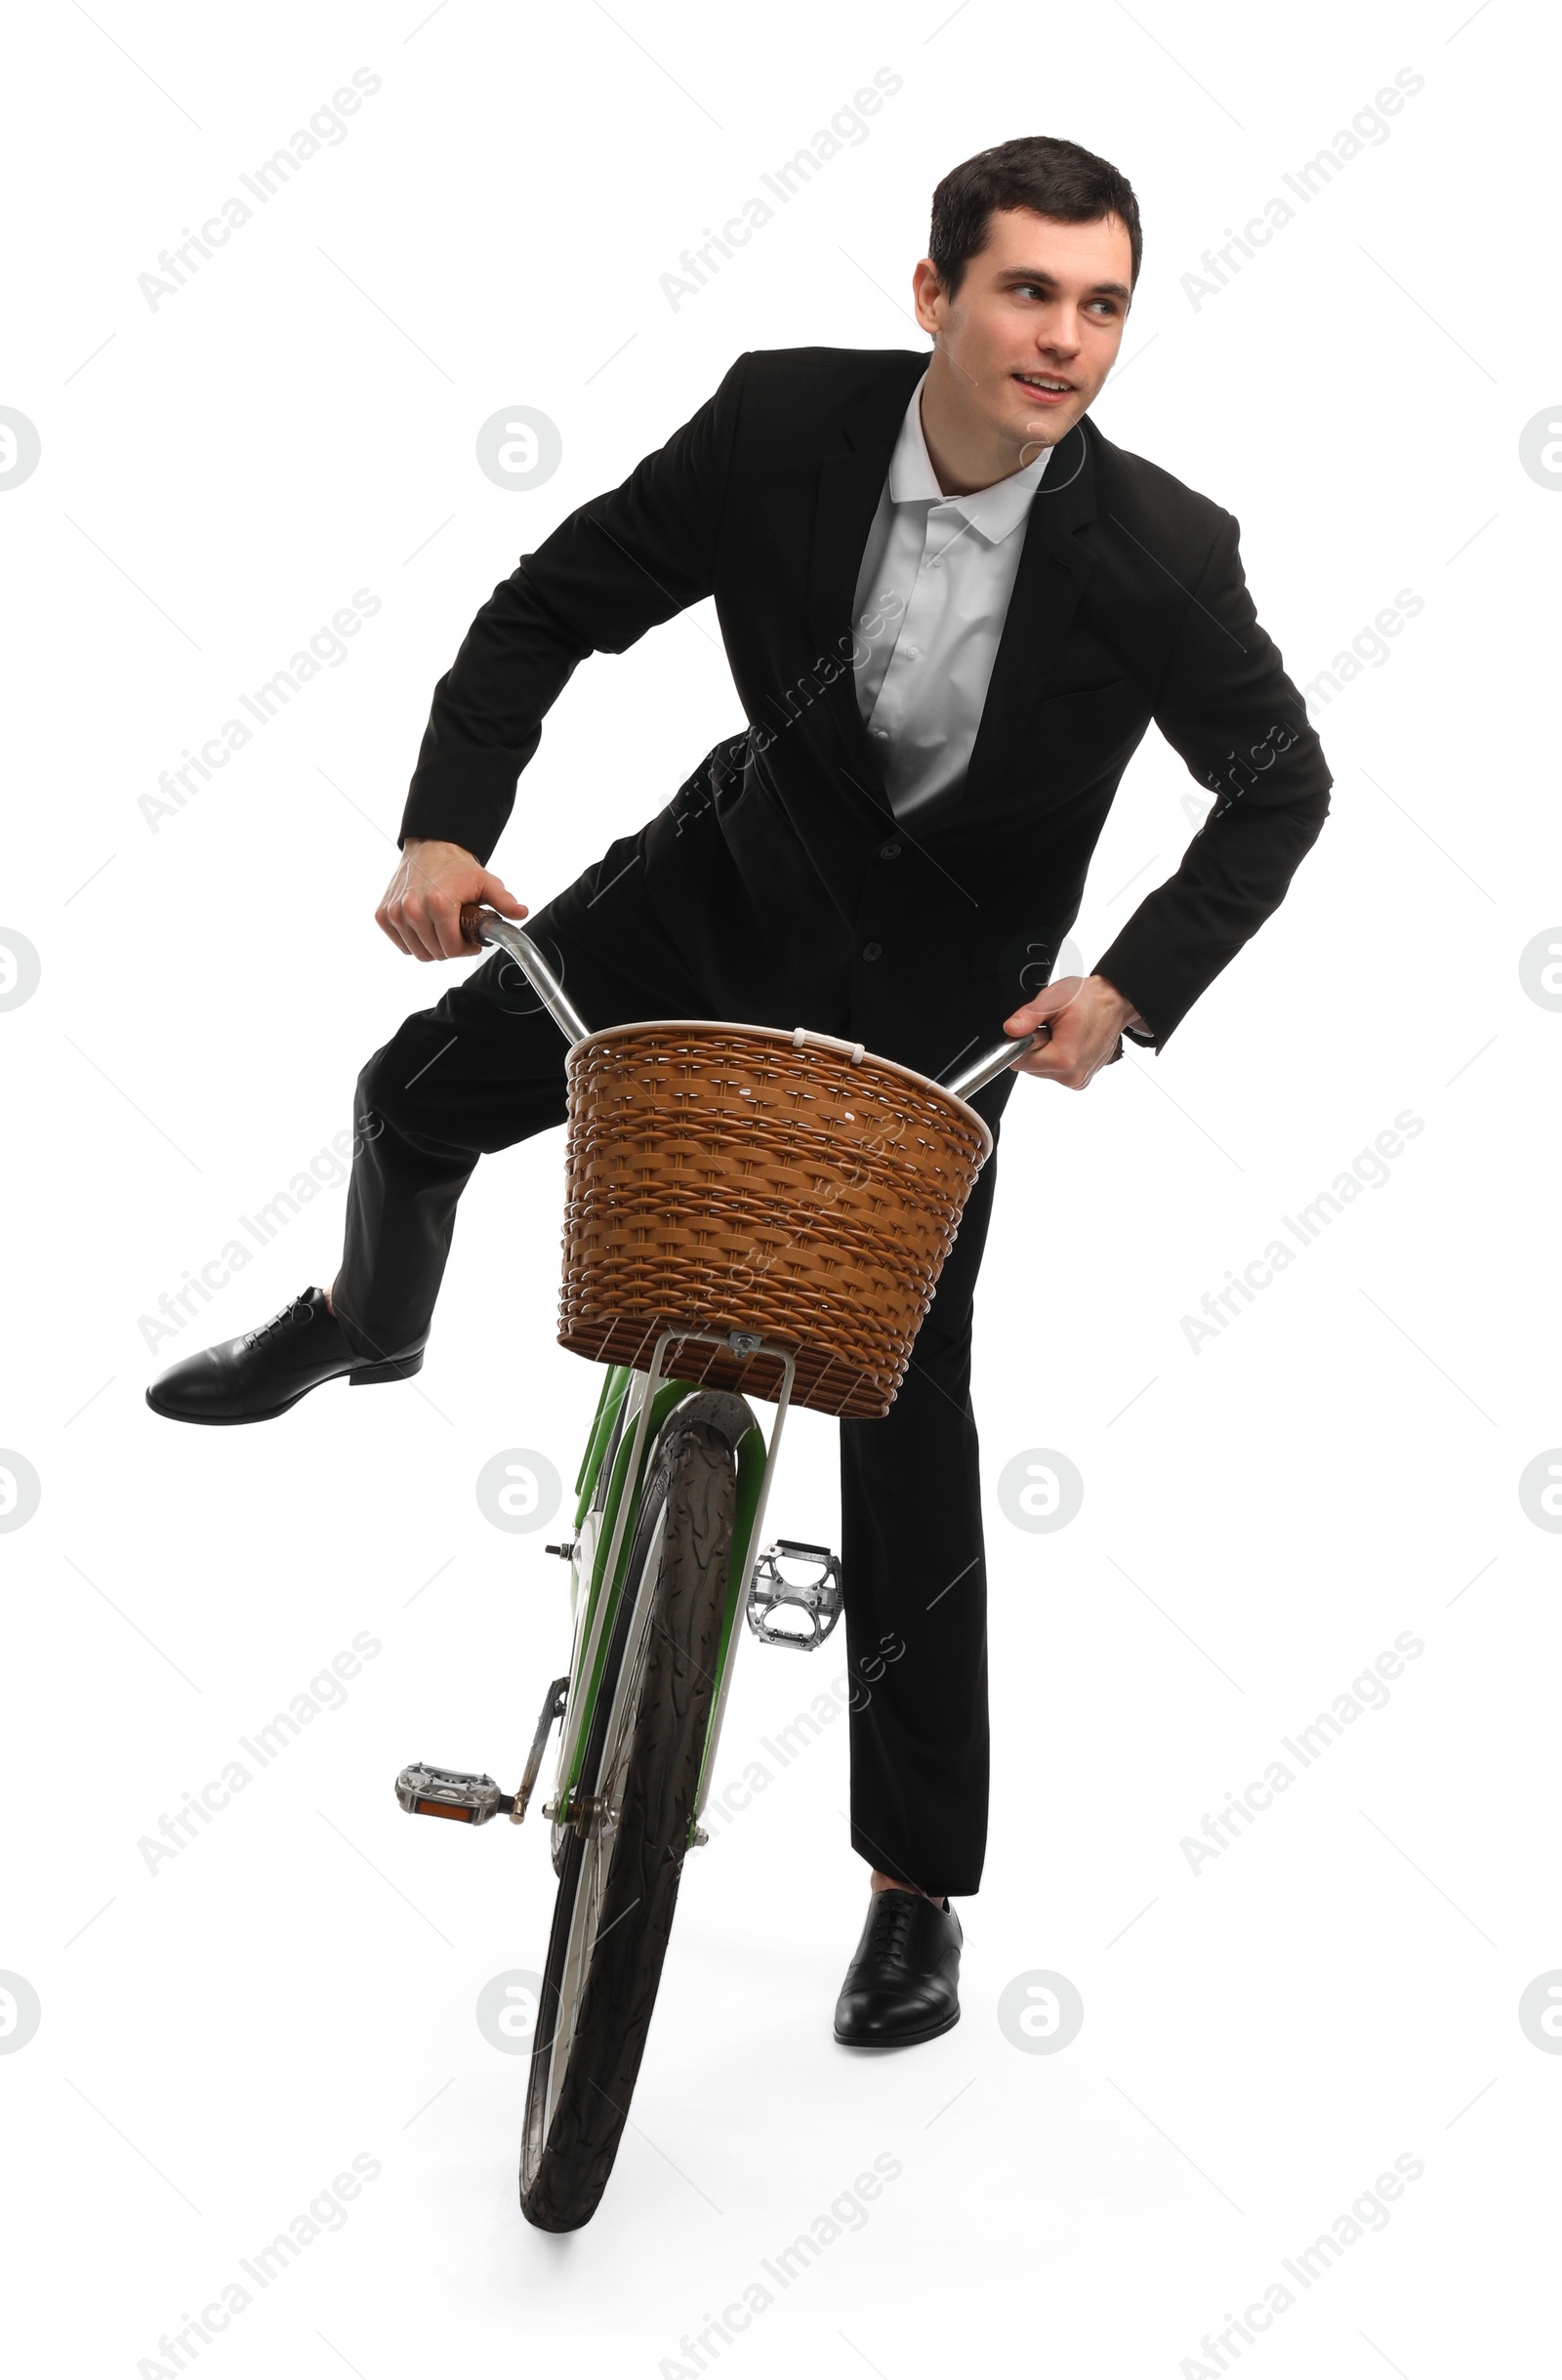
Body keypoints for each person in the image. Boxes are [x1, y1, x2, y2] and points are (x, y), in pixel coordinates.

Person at [146, 135, 1331, 2047]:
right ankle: (366, 1322)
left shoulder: (1164, 556)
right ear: (933, 293)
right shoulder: (781, 426)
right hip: (708, 905)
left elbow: (1279, 782)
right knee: (411, 1094)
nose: (1064, 339)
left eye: (1101, 302)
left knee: (908, 1407)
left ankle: (913, 1894)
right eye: (1026, 290)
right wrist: (447, 832)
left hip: (942, 1023)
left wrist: (1129, 981)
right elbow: (551, 603)